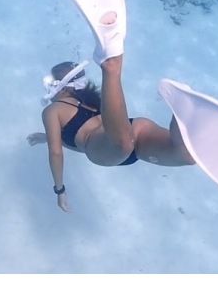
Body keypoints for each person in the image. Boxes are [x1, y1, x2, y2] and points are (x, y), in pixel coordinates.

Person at [27, 55, 195, 213]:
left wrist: (60, 190)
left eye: (48, 83)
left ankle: (111, 68)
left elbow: (56, 153)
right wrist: (46, 138)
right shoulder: (89, 100)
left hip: (116, 145)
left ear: (59, 86)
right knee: (186, 155)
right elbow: (74, 137)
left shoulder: (52, 111)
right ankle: (180, 106)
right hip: (133, 127)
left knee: (123, 143)